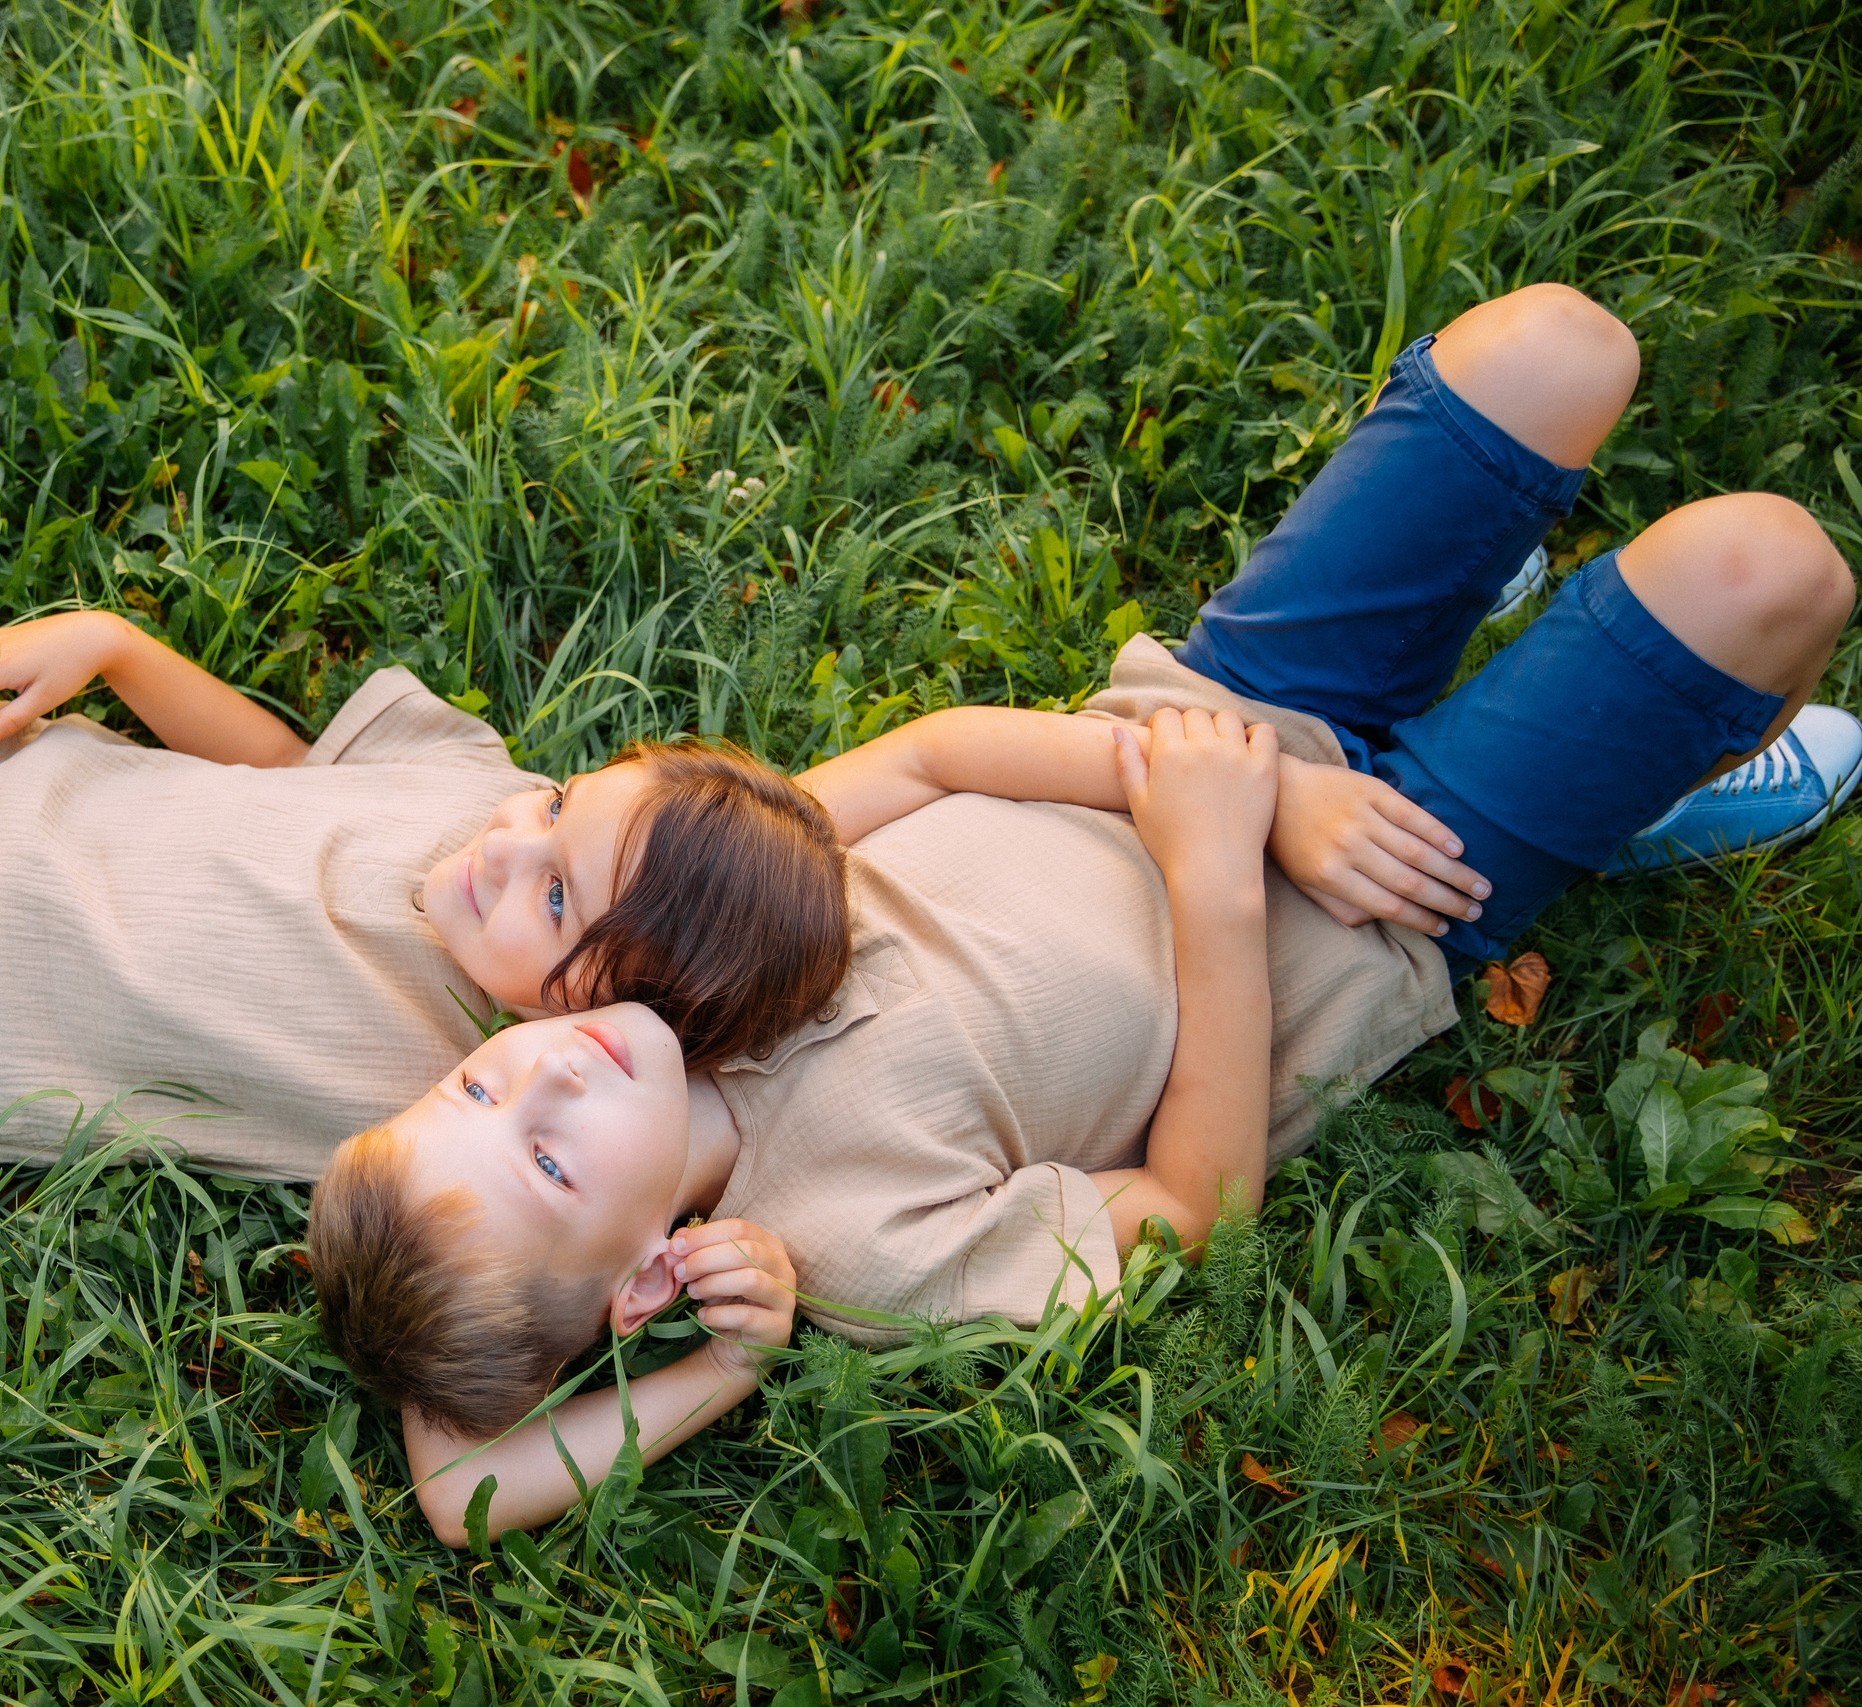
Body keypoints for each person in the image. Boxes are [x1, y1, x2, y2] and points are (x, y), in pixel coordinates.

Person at [308, 282, 1859, 1543]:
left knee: (1557, 347)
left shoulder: (663, 940)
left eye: (474, 1090)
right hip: (1387, 906)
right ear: (643, 1270)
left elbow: (931, 756)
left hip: (1221, 709)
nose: (548, 1077)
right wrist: (1214, 877)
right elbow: (1195, 1211)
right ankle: (1661, 784)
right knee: (1770, 569)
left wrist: (1246, 787)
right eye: (550, 1160)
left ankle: (1475, 619)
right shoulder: (859, 1247)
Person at [0, 500, 852, 1172]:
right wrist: (115, 645)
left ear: (599, 1023)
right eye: (554, 809)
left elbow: (628, 1225)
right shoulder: (465, 789)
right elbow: (290, 767)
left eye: (553, 901)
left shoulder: (462, 1101)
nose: (505, 847)